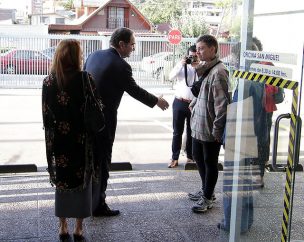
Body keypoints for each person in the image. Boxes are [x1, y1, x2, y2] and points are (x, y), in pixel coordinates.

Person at [84, 27, 169, 217]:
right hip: (104, 121)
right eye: (132, 45)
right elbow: (135, 90)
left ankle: (87, 200)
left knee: (89, 160)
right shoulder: (121, 65)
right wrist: (158, 101)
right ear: (121, 44)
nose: (133, 49)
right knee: (103, 160)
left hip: (86, 118)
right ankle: (98, 205)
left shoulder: (93, 56)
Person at [42, 39, 99, 242]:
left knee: (62, 181)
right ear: (76, 56)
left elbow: (46, 115)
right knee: (82, 182)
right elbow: (96, 107)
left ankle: (62, 226)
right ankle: (78, 229)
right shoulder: (85, 78)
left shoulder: (48, 81)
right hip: (82, 141)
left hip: (59, 140)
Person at [188, 35, 230, 213]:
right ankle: (207, 190)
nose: (198, 51)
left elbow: (222, 104)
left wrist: (217, 129)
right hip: (199, 123)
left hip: (210, 126)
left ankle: (208, 197)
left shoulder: (219, 71)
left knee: (209, 161)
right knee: (198, 157)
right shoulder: (207, 68)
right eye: (198, 48)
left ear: (213, 49)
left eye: (203, 48)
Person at [167, 45, 198, 168]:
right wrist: (181, 64)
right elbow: (170, 77)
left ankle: (190, 157)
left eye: (196, 55)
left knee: (191, 132)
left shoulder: (200, 67)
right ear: (187, 55)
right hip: (179, 102)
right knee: (177, 132)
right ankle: (174, 158)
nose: (193, 58)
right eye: (191, 56)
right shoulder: (182, 66)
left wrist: (199, 65)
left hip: (193, 104)